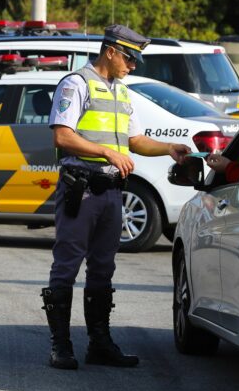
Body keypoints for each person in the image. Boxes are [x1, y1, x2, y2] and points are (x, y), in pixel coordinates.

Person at [42, 24, 192, 370]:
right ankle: (60, 346)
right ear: (110, 51)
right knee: (67, 265)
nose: (133, 66)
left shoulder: (121, 93)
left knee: (103, 268)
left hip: (111, 193)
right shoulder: (76, 84)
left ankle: (99, 343)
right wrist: (107, 153)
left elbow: (135, 140)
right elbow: (62, 137)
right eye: (129, 58)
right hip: (81, 188)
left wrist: (169, 149)